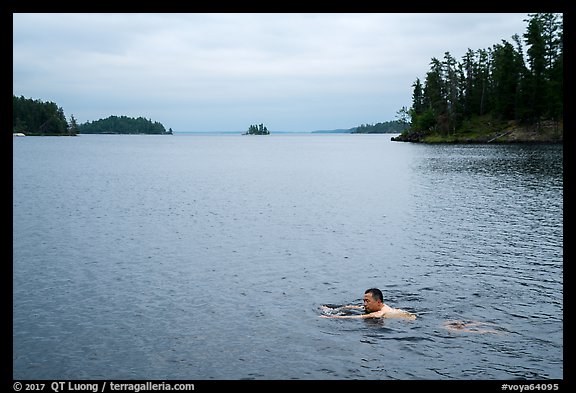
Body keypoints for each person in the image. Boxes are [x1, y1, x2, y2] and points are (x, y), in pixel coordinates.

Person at [320, 288, 417, 320]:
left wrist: (331, 317)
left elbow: (357, 317)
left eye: (367, 301)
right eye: (364, 301)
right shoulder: (376, 306)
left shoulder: (381, 313)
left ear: (378, 302)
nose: (365, 304)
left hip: (408, 318)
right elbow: (357, 307)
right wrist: (332, 308)